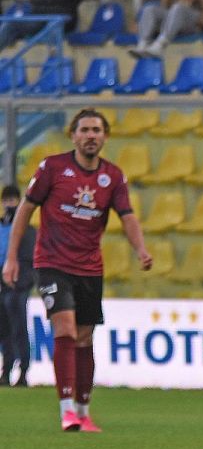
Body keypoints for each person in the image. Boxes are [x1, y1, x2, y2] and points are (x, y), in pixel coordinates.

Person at [2, 108, 153, 431]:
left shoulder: (113, 176)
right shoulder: (52, 168)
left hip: (90, 268)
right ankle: (67, 409)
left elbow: (127, 216)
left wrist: (141, 249)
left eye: (96, 130)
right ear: (73, 135)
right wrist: (12, 257)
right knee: (66, 330)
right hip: (52, 264)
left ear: (105, 136)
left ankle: (83, 412)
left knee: (84, 338)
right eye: (84, 130)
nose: (90, 136)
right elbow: (26, 209)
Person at [0, 184, 35, 386]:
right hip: (3, 285)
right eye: (6, 200)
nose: (9, 204)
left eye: (12, 200)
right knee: (5, 330)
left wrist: (20, 282)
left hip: (19, 285)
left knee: (19, 329)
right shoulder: (2, 227)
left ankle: (23, 371)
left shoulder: (27, 230)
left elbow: (29, 260)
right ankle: (6, 371)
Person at [128, 0, 203, 59]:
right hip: (174, 22)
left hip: (195, 24)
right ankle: (142, 44)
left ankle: (160, 45)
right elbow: (165, 8)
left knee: (179, 7)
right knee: (150, 9)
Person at [0, 0, 82, 50]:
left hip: (61, 20)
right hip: (39, 18)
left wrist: (34, 0)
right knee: (11, 24)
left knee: (54, 25)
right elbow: (34, 5)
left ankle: (53, 60)